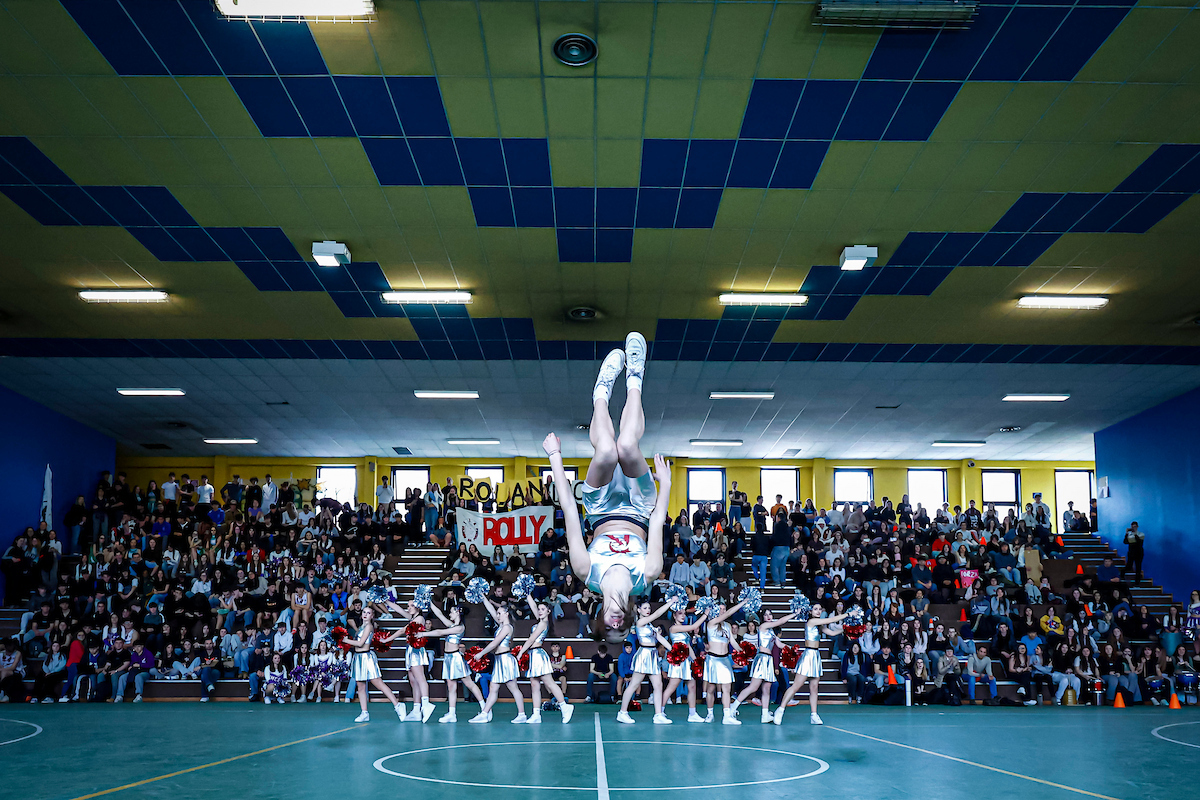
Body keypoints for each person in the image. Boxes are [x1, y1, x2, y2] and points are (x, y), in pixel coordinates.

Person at [542, 331, 671, 643]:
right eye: (621, 630)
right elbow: (657, 520)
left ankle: (601, 390)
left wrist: (555, 457)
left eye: (607, 629)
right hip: (640, 508)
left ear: (599, 619)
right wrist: (665, 484)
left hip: (600, 509)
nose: (615, 624)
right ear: (629, 620)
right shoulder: (648, 572)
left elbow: (570, 511)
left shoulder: (585, 571)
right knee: (626, 445)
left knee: (607, 452)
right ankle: (635, 377)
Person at [774, 605, 852, 726]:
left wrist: (847, 629)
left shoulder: (819, 625)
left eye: (820, 609)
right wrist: (848, 614)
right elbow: (830, 620)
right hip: (808, 655)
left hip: (816, 656)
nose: (818, 611)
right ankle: (780, 710)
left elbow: (832, 632)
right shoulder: (811, 621)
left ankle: (814, 715)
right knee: (796, 686)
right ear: (810, 611)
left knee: (814, 687)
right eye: (815, 609)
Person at [731, 607, 800, 723]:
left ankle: (765, 715)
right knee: (753, 687)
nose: (768, 617)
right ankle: (732, 708)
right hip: (762, 658)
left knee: (767, 688)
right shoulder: (763, 627)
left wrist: (792, 649)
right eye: (766, 615)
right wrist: (795, 614)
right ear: (762, 617)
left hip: (768, 660)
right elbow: (780, 621)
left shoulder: (771, 631)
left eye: (770, 614)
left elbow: (779, 644)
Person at [515, 595, 575, 723]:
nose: (539, 611)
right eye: (539, 609)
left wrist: (521, 652)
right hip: (533, 655)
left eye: (543, 609)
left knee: (549, 683)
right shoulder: (540, 621)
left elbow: (531, 639)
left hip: (538, 654)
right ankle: (536, 714)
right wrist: (527, 594)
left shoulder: (543, 623)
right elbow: (533, 606)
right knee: (534, 685)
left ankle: (565, 707)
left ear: (548, 611)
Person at [424, 603, 486, 723]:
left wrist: (423, 634)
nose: (450, 614)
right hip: (448, 658)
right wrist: (430, 603)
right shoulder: (452, 625)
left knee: (469, 683)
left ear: (458, 612)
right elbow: (439, 614)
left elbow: (439, 632)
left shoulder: (460, 627)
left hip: (456, 658)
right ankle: (452, 714)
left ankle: (485, 709)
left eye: (452, 611)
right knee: (451, 686)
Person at [343, 606, 406, 723]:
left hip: (366, 658)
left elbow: (361, 643)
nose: (365, 614)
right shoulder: (360, 627)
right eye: (364, 612)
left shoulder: (369, 626)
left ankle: (398, 705)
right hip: (358, 658)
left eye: (368, 613)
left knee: (378, 683)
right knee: (360, 686)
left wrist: (345, 640)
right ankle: (364, 712)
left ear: (372, 616)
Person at [469, 596, 526, 724]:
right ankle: (484, 714)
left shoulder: (507, 627)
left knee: (513, 688)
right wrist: (483, 597)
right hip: (500, 659)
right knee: (493, 688)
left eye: (500, 613)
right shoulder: (501, 625)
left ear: (506, 614)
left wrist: (481, 653)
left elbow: (495, 643)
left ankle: (522, 714)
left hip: (505, 659)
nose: (497, 615)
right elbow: (491, 610)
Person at [615, 600, 674, 725]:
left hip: (653, 655)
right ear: (639, 610)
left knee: (658, 685)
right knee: (634, 684)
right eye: (645, 608)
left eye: (649, 608)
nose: (648, 610)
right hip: (644, 655)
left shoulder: (650, 625)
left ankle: (658, 714)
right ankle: (622, 712)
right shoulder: (640, 622)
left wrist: (673, 650)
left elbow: (660, 638)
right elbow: (657, 614)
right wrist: (670, 603)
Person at [385, 600, 435, 723]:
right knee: (413, 680)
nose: (409, 608)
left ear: (418, 607)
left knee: (420, 678)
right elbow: (398, 609)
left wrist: (387, 639)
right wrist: (385, 600)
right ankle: (416, 709)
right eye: (408, 606)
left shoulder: (419, 619)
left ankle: (426, 704)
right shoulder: (412, 617)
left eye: (412, 606)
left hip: (416, 650)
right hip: (410, 649)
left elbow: (402, 631)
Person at [703, 598, 748, 725]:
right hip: (713, 659)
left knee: (727, 688)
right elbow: (728, 614)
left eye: (724, 609)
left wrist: (742, 651)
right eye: (720, 609)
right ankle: (710, 714)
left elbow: (732, 642)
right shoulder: (711, 623)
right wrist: (742, 603)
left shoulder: (727, 626)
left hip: (725, 659)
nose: (722, 611)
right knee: (711, 688)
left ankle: (727, 716)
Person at [663, 607, 708, 722]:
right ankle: (660, 712)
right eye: (680, 613)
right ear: (674, 616)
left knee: (692, 686)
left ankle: (692, 714)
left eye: (684, 613)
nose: (683, 616)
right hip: (677, 661)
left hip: (686, 661)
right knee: (671, 687)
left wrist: (695, 661)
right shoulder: (674, 628)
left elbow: (688, 646)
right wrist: (705, 615)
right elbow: (694, 626)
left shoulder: (684, 630)